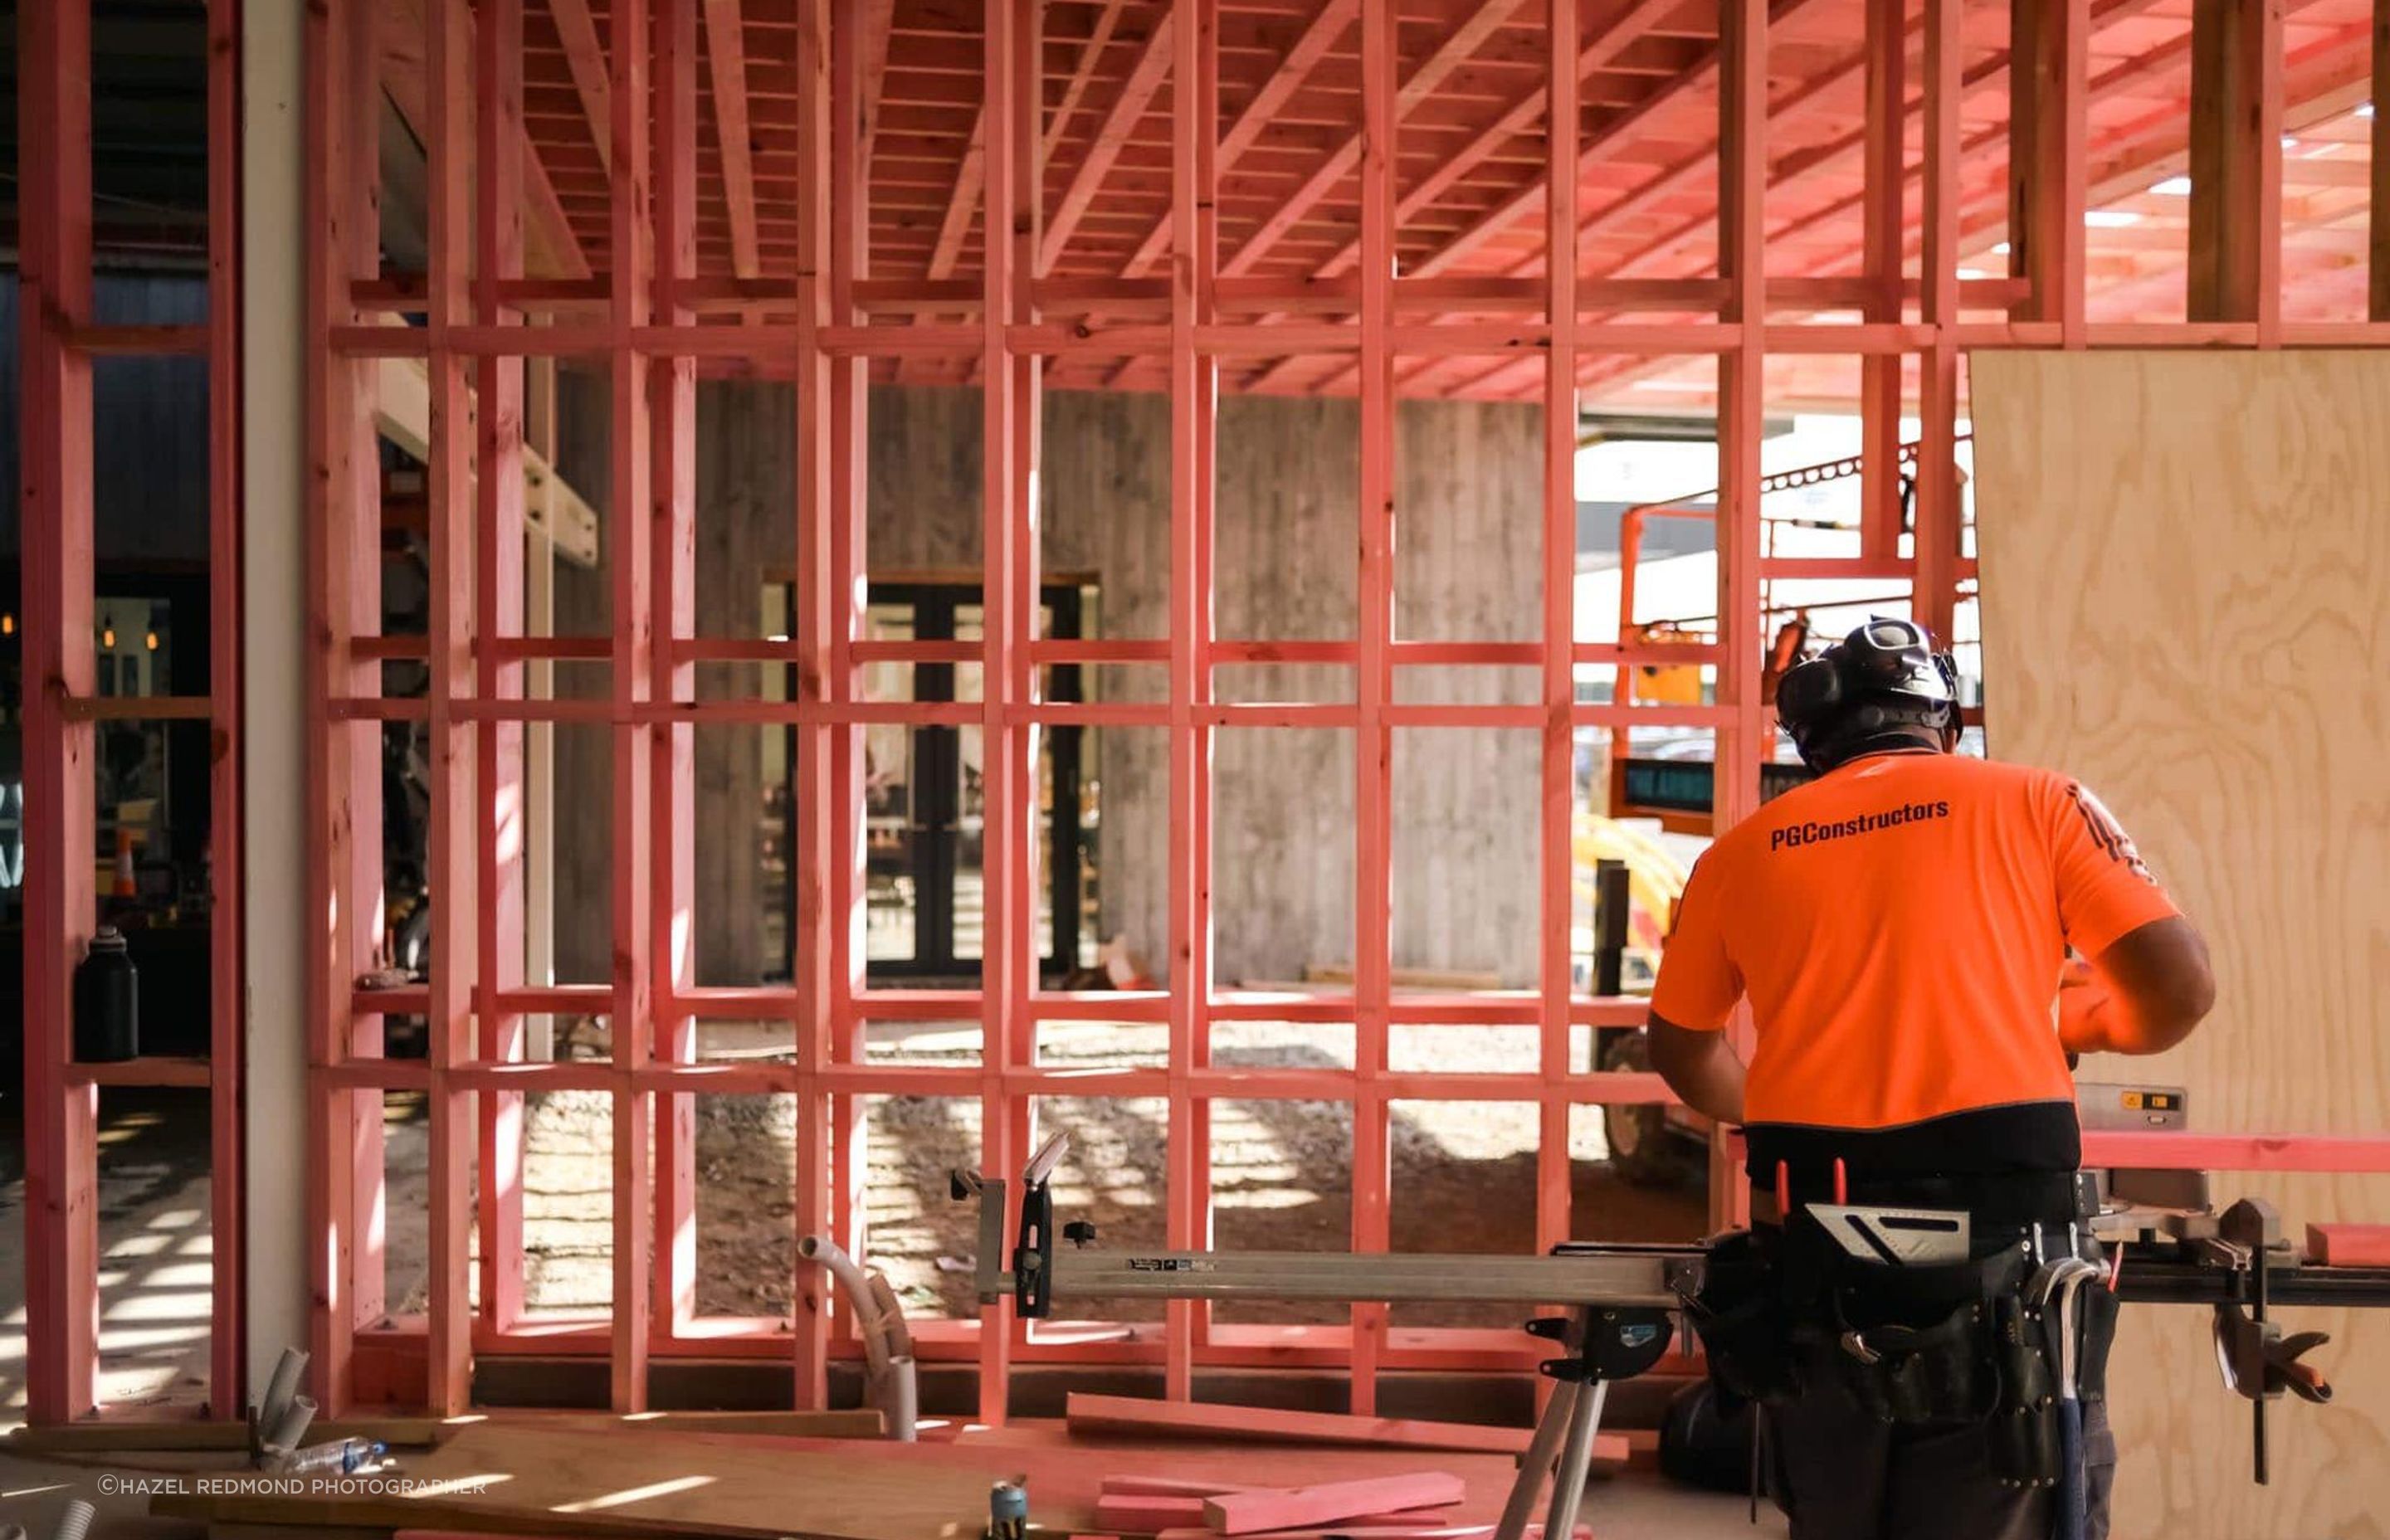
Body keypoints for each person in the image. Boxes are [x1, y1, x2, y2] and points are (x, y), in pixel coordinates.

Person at [1645, 616, 2215, 1540]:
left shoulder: (1737, 856)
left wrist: (1785, 1095)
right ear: (1943, 718)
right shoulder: (2039, 801)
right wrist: (2084, 1021)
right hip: (2005, 1258)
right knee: (2008, 1498)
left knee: (1836, 1507)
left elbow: (1683, 1053)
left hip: (1813, 1247)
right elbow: (2178, 991)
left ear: (1813, 746)